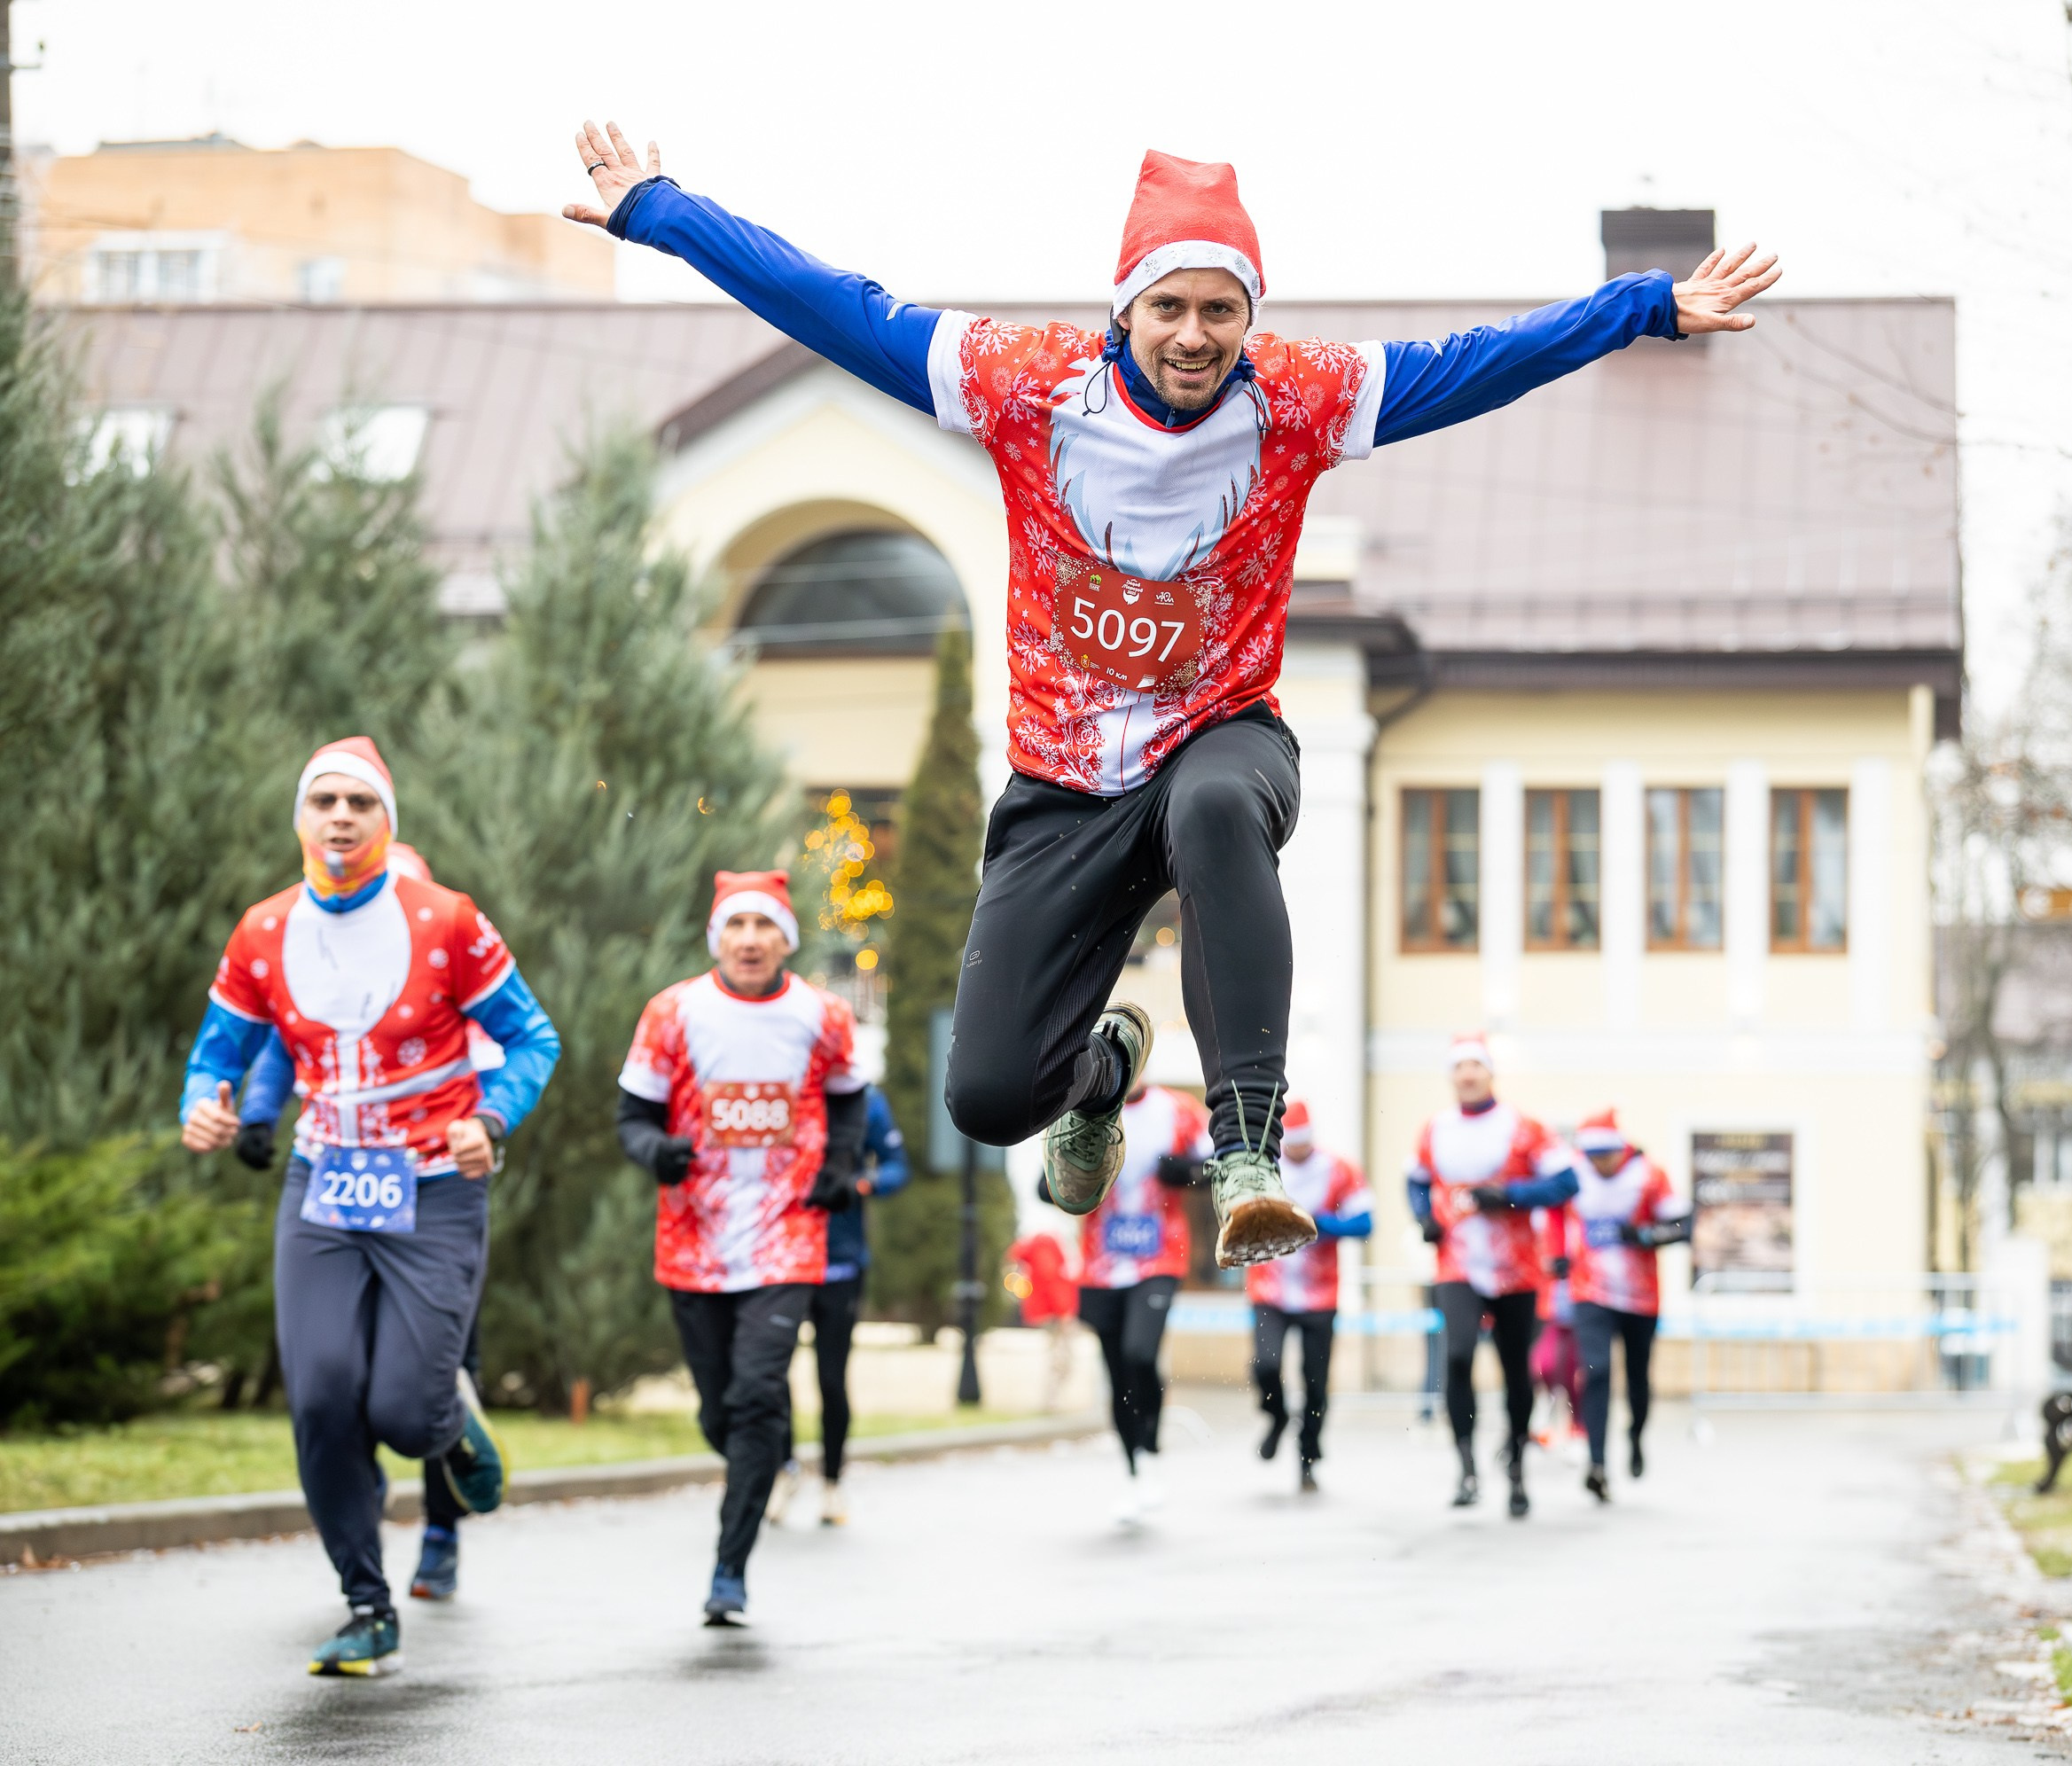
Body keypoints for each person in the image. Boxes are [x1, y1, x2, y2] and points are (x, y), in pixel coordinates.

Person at [564, 121, 1779, 1285]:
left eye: (1221, 310)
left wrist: (1648, 309)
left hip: (1224, 740)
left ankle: (1243, 1142)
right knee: (989, 1095)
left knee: (1210, 813)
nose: (1194, 336)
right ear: (1124, 310)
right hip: (1064, 782)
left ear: (1251, 318)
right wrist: (661, 214)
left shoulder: (1303, 398)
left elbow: (1480, 363)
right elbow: (839, 308)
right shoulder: (1023, 385)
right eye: (1170, 308)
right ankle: (1103, 1081)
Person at [179, 738, 559, 1676]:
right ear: (299, 819)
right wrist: (204, 1101)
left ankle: (448, 1421)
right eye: (323, 801)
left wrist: (492, 1116)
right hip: (324, 1185)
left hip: (432, 1182)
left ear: (387, 818)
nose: (340, 817)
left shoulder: (446, 920)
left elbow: (532, 1039)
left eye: (358, 801)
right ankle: (366, 1603)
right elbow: (219, 1050)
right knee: (317, 1394)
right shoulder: (263, 931)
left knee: (400, 1410)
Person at [230, 842, 505, 1604]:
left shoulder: (452, 980)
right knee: (339, 1377)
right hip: (345, 1197)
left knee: (428, 1387)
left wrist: (485, 1125)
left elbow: (501, 1066)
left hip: (436, 1194)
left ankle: (442, 1537)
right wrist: (256, 1114)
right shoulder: (327, 970)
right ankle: (363, 1520)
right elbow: (291, 1047)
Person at [614, 871, 868, 1624]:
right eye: (737, 927)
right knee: (721, 1412)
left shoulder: (822, 1016)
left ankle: (730, 1569)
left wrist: (839, 1167)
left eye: (765, 927)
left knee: (758, 1395)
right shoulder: (672, 1012)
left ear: (785, 939)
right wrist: (655, 1150)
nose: (750, 940)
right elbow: (632, 1117)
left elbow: (851, 1101)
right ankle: (752, 1464)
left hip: (788, 1232)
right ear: (717, 938)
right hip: (694, 1237)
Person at [1407, 1036, 1576, 1517]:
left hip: (1517, 1268)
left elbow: (1567, 1182)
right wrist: (1425, 1218)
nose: (1467, 1075)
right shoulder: (1434, 1129)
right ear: (1450, 1076)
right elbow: (1416, 1181)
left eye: (1475, 1067)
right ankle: (1466, 1468)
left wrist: (1507, 1195)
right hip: (1457, 1265)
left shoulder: (1523, 1128)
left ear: (1489, 1073)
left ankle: (1518, 1465)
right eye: (1458, 1067)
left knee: (1515, 1371)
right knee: (1457, 1356)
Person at [1059, 1067, 1210, 1519]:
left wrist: (1183, 1173)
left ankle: (1151, 1440)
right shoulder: (1083, 1108)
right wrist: (1060, 1187)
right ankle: (1133, 1468)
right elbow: (1051, 1178)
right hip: (1101, 1265)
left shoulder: (1178, 1110)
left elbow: (1215, 1164)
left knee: (1141, 1353)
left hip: (1159, 1258)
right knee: (1117, 1370)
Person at [773, 1084, 910, 1528]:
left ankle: (832, 1483)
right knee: (770, 1374)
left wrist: (859, 1183)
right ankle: (783, 1470)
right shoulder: (782, 1086)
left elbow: (896, 1168)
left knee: (831, 1380)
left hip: (840, 1263)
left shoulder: (867, 1100)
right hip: (782, 1259)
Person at [1563, 1110, 1692, 1503]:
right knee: (1596, 1371)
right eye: (1593, 1154)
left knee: (1637, 1377)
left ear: (1622, 1148)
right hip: (1590, 1292)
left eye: (1607, 1153)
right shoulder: (1573, 1174)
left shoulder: (1650, 1176)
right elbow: (1547, 1211)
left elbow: (1684, 1226)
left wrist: (1644, 1234)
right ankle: (1597, 1463)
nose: (1600, 1162)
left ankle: (1635, 1435)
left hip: (1640, 1297)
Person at [1243, 1099, 1372, 1493]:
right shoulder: (1263, 1170)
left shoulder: (1339, 1169)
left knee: (1315, 1383)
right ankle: (1277, 1415)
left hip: (1320, 1293)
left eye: (1303, 1144)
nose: (1297, 1152)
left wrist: (1318, 1223)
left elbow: (1365, 1222)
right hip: (1270, 1289)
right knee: (1265, 1365)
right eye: (1291, 1145)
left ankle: (1308, 1456)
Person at [1004, 1229, 1081, 1413]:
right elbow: (1051, 1278)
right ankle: (1052, 1400)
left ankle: (1052, 1398)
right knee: (1062, 1357)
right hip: (1058, 1313)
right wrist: (1064, 1312)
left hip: (1050, 1311)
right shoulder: (1047, 1247)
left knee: (1059, 1356)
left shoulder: (1034, 1250)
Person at [1528, 1202, 1583, 1453]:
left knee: (1575, 1370)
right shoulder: (1542, 1213)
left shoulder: (1583, 1210)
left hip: (1581, 1302)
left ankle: (1578, 1428)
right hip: (1547, 1302)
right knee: (1545, 1365)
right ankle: (1543, 1415)